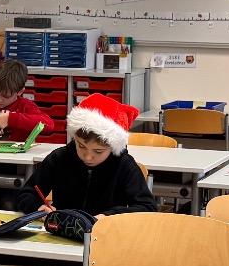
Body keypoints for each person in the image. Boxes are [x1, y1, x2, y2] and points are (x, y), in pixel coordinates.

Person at [12, 92, 154, 221]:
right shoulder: (60, 158)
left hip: (104, 234)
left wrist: (108, 217)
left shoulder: (124, 165)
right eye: (81, 146)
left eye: (98, 151)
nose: (88, 157)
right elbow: (26, 194)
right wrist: (38, 208)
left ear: (113, 147)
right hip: (62, 230)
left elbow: (147, 207)